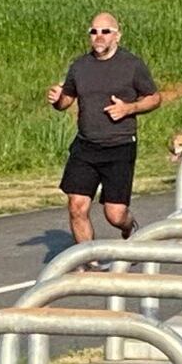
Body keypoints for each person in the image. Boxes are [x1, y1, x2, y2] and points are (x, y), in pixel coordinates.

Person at [46, 14, 164, 242]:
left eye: (105, 31)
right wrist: (57, 99)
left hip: (119, 147)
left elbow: (154, 97)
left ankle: (131, 229)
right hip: (85, 146)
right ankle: (87, 262)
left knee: (115, 214)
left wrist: (129, 108)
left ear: (117, 36)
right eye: (94, 32)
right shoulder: (80, 66)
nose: (99, 37)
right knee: (77, 206)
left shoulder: (131, 65)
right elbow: (65, 101)